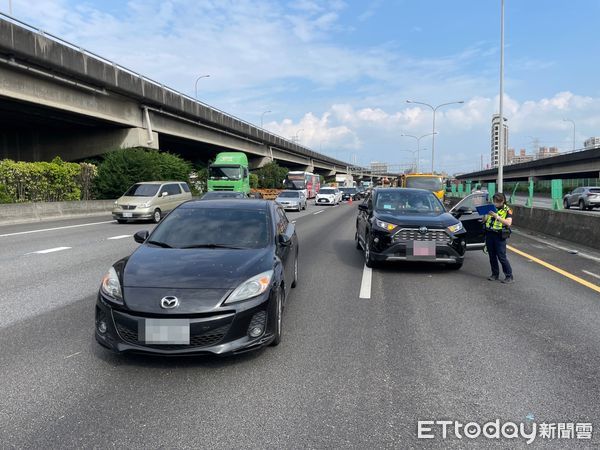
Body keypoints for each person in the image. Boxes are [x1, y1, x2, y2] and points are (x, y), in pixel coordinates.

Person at [484, 192, 514, 283]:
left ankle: (509, 276)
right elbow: (484, 220)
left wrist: (497, 216)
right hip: (489, 234)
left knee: (501, 257)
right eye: (494, 201)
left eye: (497, 201)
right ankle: (494, 274)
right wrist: (485, 215)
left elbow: (508, 223)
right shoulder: (491, 208)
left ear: (503, 201)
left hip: (499, 235)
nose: (496, 203)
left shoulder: (507, 210)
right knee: (492, 256)